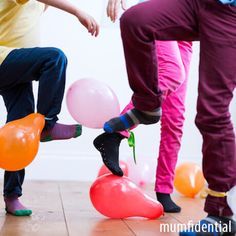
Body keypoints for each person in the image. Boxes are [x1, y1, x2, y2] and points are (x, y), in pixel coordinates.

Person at [101, 0, 236, 234]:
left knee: (203, 114)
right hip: (191, 5)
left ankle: (220, 213)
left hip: (227, 11)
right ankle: (144, 109)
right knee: (135, 21)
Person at [0, 0, 99, 216]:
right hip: (3, 58)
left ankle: (12, 196)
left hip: (16, 66)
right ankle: (48, 124)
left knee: (20, 129)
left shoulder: (37, 4)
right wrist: (77, 11)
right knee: (54, 58)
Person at [94, 0, 192, 213]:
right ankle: (116, 132)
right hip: (162, 14)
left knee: (175, 118)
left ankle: (164, 189)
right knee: (172, 74)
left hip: (189, 29)